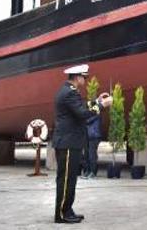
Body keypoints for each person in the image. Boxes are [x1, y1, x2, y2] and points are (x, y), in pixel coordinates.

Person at [52, 64, 112, 224]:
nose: (85, 80)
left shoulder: (68, 92)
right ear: (77, 77)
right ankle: (62, 214)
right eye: (84, 77)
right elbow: (82, 114)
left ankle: (67, 209)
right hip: (68, 142)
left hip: (69, 141)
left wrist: (96, 101)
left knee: (70, 178)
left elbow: (81, 107)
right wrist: (101, 106)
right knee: (66, 180)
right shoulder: (69, 93)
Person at [81, 114, 101, 179]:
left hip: (94, 136)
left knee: (92, 155)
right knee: (86, 154)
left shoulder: (96, 113)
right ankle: (87, 171)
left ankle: (93, 172)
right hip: (87, 136)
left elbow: (87, 121)